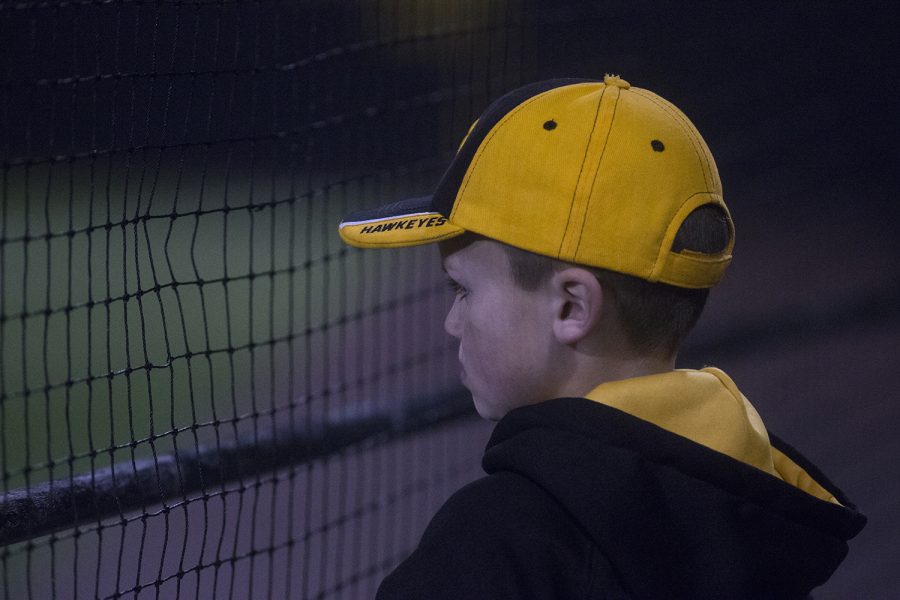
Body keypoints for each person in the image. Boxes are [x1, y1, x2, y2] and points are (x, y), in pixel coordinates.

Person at [338, 75, 866, 599]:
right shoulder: (758, 519)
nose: (453, 322)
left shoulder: (502, 540)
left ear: (572, 305)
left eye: (463, 289)